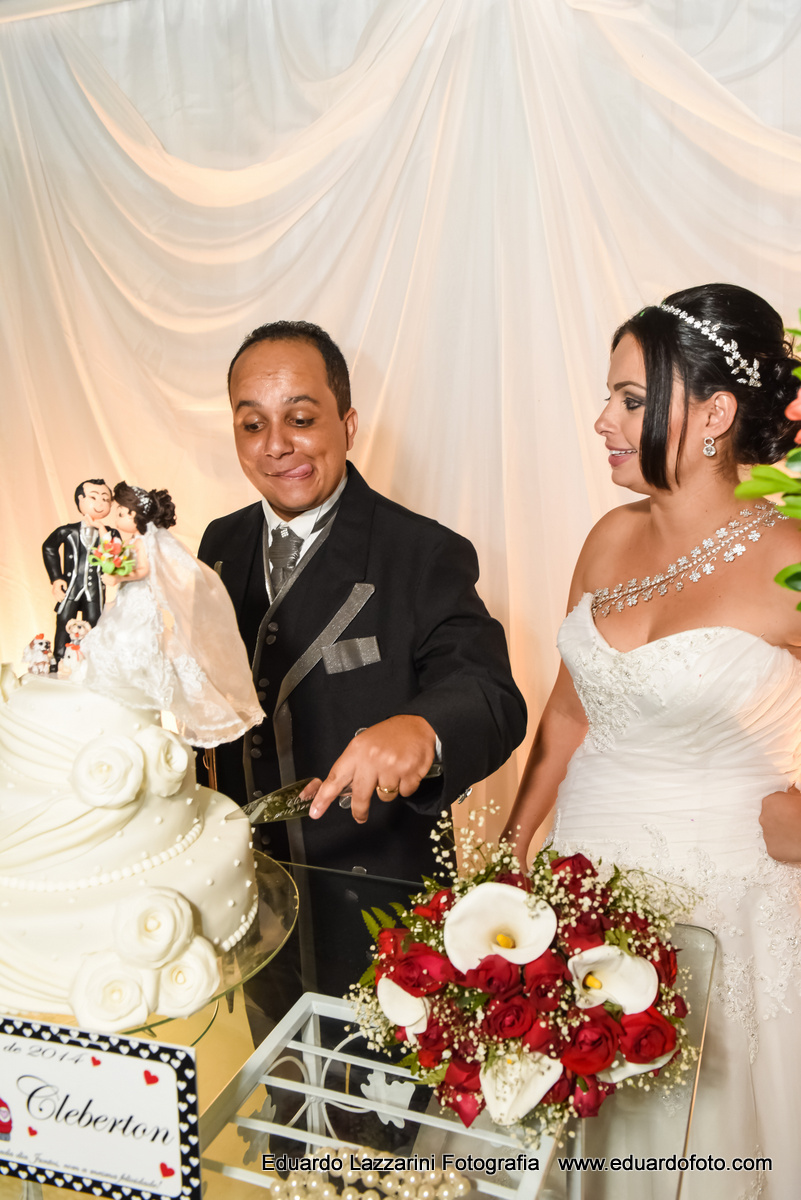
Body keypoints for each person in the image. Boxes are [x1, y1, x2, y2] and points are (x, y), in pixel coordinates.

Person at [503, 283, 801, 1200]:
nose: (602, 420)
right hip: (583, 888)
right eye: (609, 396)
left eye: (631, 399)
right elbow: (566, 712)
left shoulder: (789, 557)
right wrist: (512, 848)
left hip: (726, 912)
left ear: (713, 413)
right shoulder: (605, 540)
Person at [198, 320, 526, 880]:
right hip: (244, 895)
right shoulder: (217, 544)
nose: (276, 445)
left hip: (376, 911)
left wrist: (423, 727)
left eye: (301, 420)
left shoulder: (423, 551)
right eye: (253, 424)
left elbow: (491, 696)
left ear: (348, 426)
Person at [76, 482, 262, 747]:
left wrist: (117, 574)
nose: (116, 517)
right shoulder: (135, 540)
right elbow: (118, 555)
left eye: (120, 513)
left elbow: (142, 570)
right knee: (117, 634)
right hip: (129, 599)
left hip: (139, 599)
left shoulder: (144, 543)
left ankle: (139, 677)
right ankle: (120, 676)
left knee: (135, 636)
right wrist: (103, 532)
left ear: (134, 515)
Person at [41, 478, 116, 660]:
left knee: (95, 624)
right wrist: (56, 579)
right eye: (93, 497)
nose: (100, 503)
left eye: (105, 499)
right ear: (80, 500)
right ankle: (58, 661)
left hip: (95, 590)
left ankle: (92, 662)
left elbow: (114, 559)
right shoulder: (68, 531)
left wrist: (103, 532)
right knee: (64, 622)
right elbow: (48, 547)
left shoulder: (111, 534)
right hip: (71, 588)